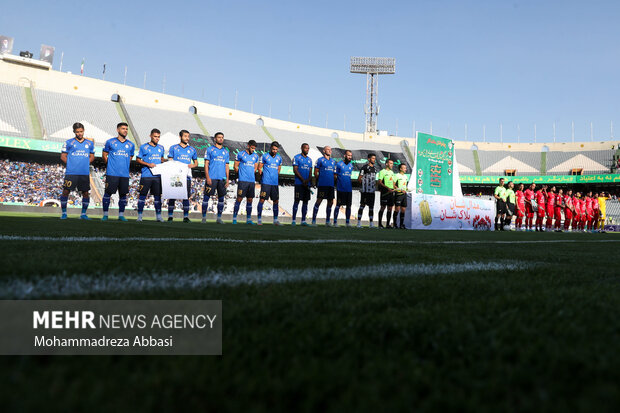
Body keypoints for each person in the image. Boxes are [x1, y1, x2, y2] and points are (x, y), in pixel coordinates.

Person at [59, 122, 95, 220]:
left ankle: (83, 214)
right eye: (77, 132)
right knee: (66, 191)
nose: (80, 133)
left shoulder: (89, 143)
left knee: (85, 193)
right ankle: (64, 213)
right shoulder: (68, 142)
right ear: (74, 132)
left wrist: (85, 163)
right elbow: (63, 156)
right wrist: (72, 164)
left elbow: (92, 156)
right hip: (72, 172)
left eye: (81, 131)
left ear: (83, 131)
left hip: (84, 173)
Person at [102, 122, 135, 221]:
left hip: (124, 174)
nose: (125, 131)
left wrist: (124, 166)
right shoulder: (110, 142)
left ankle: (121, 215)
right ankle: (105, 215)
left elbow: (130, 157)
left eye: (126, 129)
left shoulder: (131, 144)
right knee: (108, 193)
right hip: (112, 173)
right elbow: (104, 154)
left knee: (123, 195)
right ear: (118, 130)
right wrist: (110, 165)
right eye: (123, 128)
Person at [166, 130, 198, 222]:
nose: (187, 138)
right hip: (175, 175)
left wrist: (191, 165)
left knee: (185, 197)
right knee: (172, 196)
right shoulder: (174, 148)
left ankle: (186, 217)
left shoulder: (192, 149)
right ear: (180, 137)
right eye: (185, 136)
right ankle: (170, 216)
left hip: (186, 176)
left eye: (188, 136)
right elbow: (170, 160)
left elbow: (196, 163)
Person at [135, 129, 165, 222]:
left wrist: (167, 163)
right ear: (150, 136)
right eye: (155, 136)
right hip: (146, 175)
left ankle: (158, 216)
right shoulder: (144, 147)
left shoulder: (161, 147)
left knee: (157, 197)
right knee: (143, 195)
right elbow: (138, 159)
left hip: (157, 176)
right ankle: (140, 216)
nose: (157, 138)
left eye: (158, 137)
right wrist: (148, 164)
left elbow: (162, 159)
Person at [202, 132, 229, 224]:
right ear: (215, 139)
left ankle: (219, 218)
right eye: (219, 137)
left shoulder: (226, 152)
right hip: (212, 177)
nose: (221, 139)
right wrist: (207, 177)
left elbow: (227, 166)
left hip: (222, 179)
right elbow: (206, 164)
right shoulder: (210, 149)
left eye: (222, 137)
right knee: (206, 197)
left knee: (221, 198)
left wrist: (227, 179)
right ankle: (204, 218)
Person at [232, 140, 259, 225]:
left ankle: (248, 219)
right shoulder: (240, 154)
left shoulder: (256, 156)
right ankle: (234, 219)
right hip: (242, 181)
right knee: (239, 198)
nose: (253, 150)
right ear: (248, 146)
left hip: (251, 181)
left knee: (250, 200)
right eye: (252, 148)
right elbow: (235, 166)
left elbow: (255, 168)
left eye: (254, 148)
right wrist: (241, 174)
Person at [257, 142, 283, 225]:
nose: (275, 151)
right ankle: (259, 219)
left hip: (274, 183)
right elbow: (259, 168)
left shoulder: (279, 158)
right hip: (266, 182)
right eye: (273, 149)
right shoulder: (265, 156)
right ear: (270, 148)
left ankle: (275, 220)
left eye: (276, 149)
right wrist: (263, 178)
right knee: (262, 200)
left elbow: (279, 169)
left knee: (276, 201)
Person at [311, 146, 337, 226]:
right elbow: (315, 172)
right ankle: (314, 220)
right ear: (324, 151)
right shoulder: (320, 160)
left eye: (330, 150)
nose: (330, 151)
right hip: (322, 185)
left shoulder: (333, 162)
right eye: (328, 149)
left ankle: (328, 221)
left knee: (330, 202)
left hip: (331, 185)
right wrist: (320, 179)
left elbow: (335, 174)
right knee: (319, 201)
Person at [291, 143, 312, 226]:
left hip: (307, 184)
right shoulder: (297, 157)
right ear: (302, 148)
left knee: (306, 202)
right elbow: (295, 170)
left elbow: (311, 173)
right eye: (306, 148)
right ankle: (293, 220)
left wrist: (308, 180)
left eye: (308, 148)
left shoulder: (310, 160)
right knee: (297, 201)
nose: (307, 149)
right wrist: (303, 180)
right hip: (299, 183)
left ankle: (303, 220)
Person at [356, 153, 378, 228]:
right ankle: (358, 223)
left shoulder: (375, 169)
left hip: (372, 191)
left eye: (374, 158)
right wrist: (363, 186)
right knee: (362, 205)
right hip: (365, 191)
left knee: (371, 207)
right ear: (369, 159)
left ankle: (371, 223)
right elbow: (359, 178)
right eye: (372, 158)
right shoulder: (364, 168)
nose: (374, 160)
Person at [333, 150, 353, 227]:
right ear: (345, 155)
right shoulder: (339, 164)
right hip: (341, 189)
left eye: (351, 156)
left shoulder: (351, 165)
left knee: (349, 206)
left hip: (349, 189)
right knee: (338, 205)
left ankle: (347, 222)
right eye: (348, 155)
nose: (350, 157)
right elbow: (335, 176)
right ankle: (335, 222)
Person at [377, 159, 396, 228]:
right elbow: (380, 182)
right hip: (385, 192)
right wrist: (387, 188)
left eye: (392, 163)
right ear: (386, 164)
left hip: (391, 193)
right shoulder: (382, 172)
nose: (392, 165)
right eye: (390, 163)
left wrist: (396, 188)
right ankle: (379, 224)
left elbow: (393, 183)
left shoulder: (392, 172)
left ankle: (388, 224)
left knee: (390, 208)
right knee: (383, 207)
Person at [392, 163, 409, 229]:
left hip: (404, 195)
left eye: (406, 168)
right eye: (404, 168)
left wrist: (407, 189)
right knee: (397, 209)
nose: (405, 169)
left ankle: (401, 225)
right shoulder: (396, 176)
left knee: (403, 210)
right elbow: (393, 185)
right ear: (400, 169)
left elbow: (405, 186)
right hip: (398, 195)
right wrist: (399, 189)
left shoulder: (405, 176)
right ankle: (395, 224)